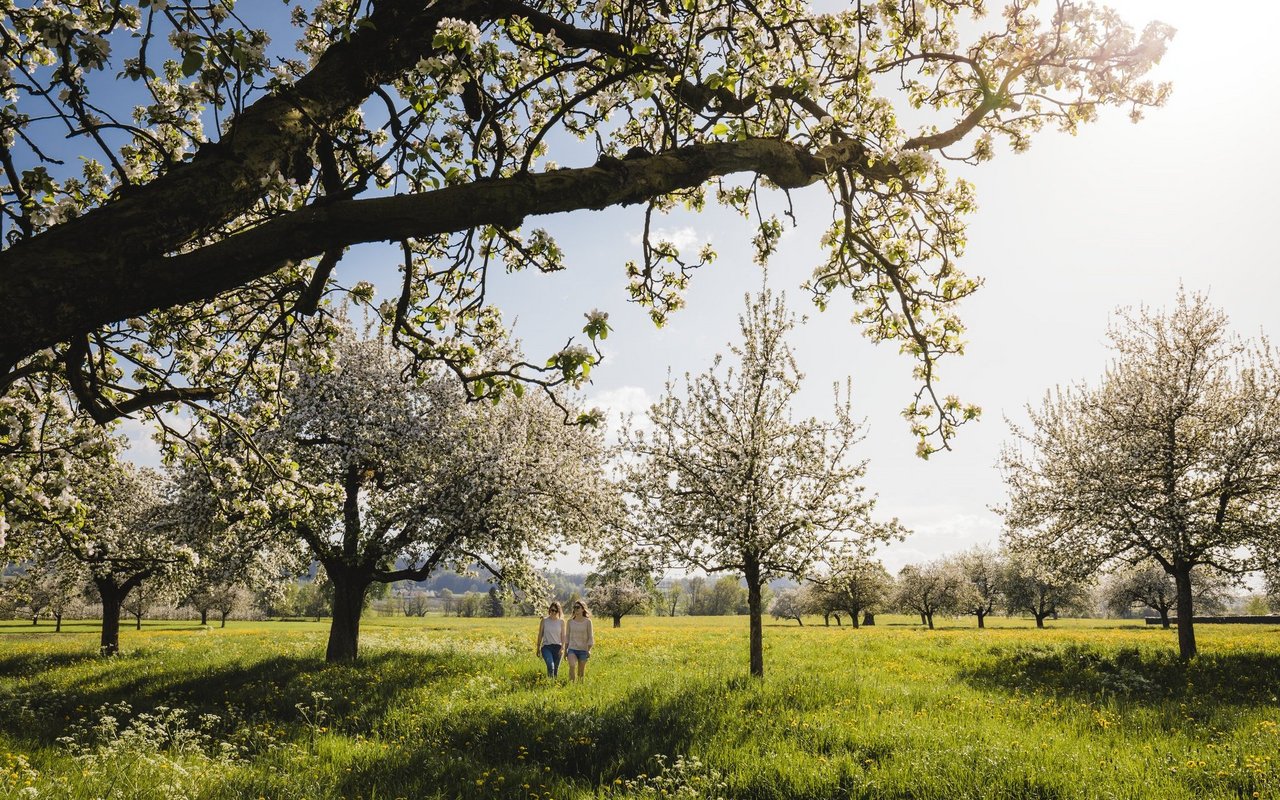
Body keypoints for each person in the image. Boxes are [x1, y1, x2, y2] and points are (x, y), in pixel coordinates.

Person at [565, 599, 594, 683]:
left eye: (578, 607)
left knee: (581, 673)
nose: (576, 609)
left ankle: (579, 687)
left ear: (582, 609)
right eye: (574, 607)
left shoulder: (588, 622)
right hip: (572, 649)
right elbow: (567, 637)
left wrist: (589, 650)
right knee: (572, 665)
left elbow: (590, 637)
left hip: (583, 650)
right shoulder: (570, 622)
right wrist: (565, 650)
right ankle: (571, 685)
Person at [535, 601, 567, 678]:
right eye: (552, 610)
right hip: (546, 647)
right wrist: (538, 648)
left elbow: (563, 636)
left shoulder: (561, 622)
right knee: (550, 665)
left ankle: (552, 686)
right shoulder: (544, 621)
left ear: (558, 611)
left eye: (556, 611)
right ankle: (549, 683)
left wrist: (562, 648)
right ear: (549, 610)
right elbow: (540, 635)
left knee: (555, 670)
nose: (553, 612)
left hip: (558, 648)